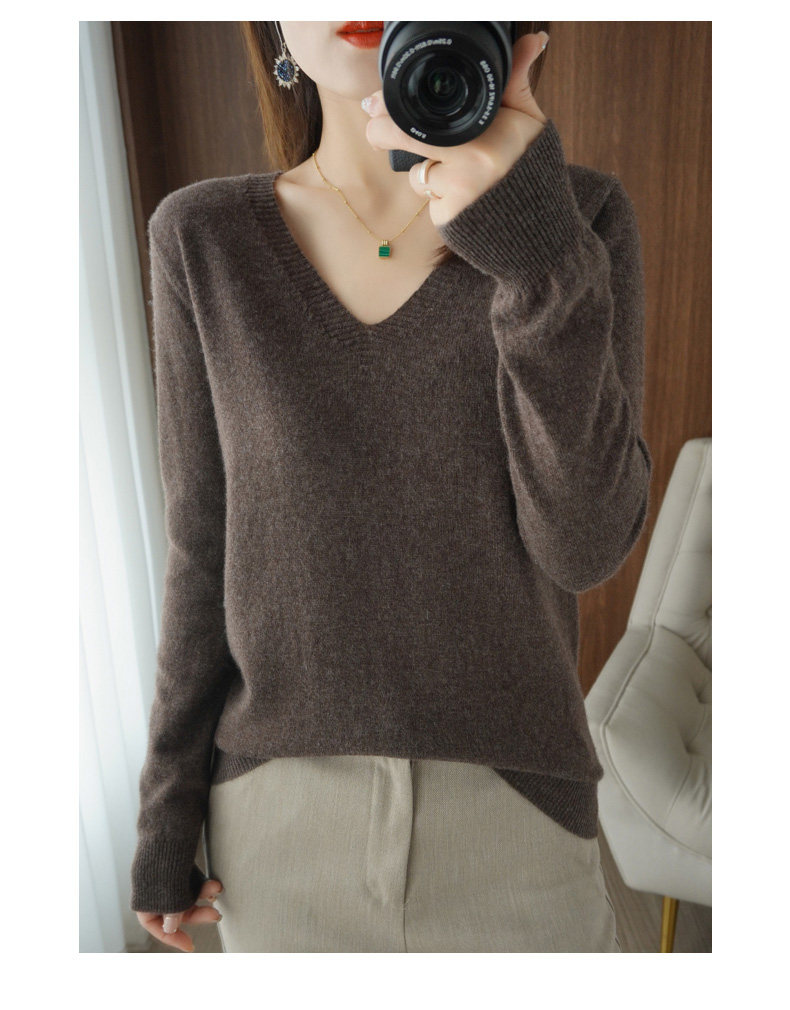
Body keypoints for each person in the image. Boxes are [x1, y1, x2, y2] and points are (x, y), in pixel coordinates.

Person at [130, 20, 651, 952]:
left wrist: (534, 252)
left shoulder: (579, 221)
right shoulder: (200, 238)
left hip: (517, 819)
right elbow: (200, 550)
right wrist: (167, 814)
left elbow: (584, 546)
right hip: (278, 827)